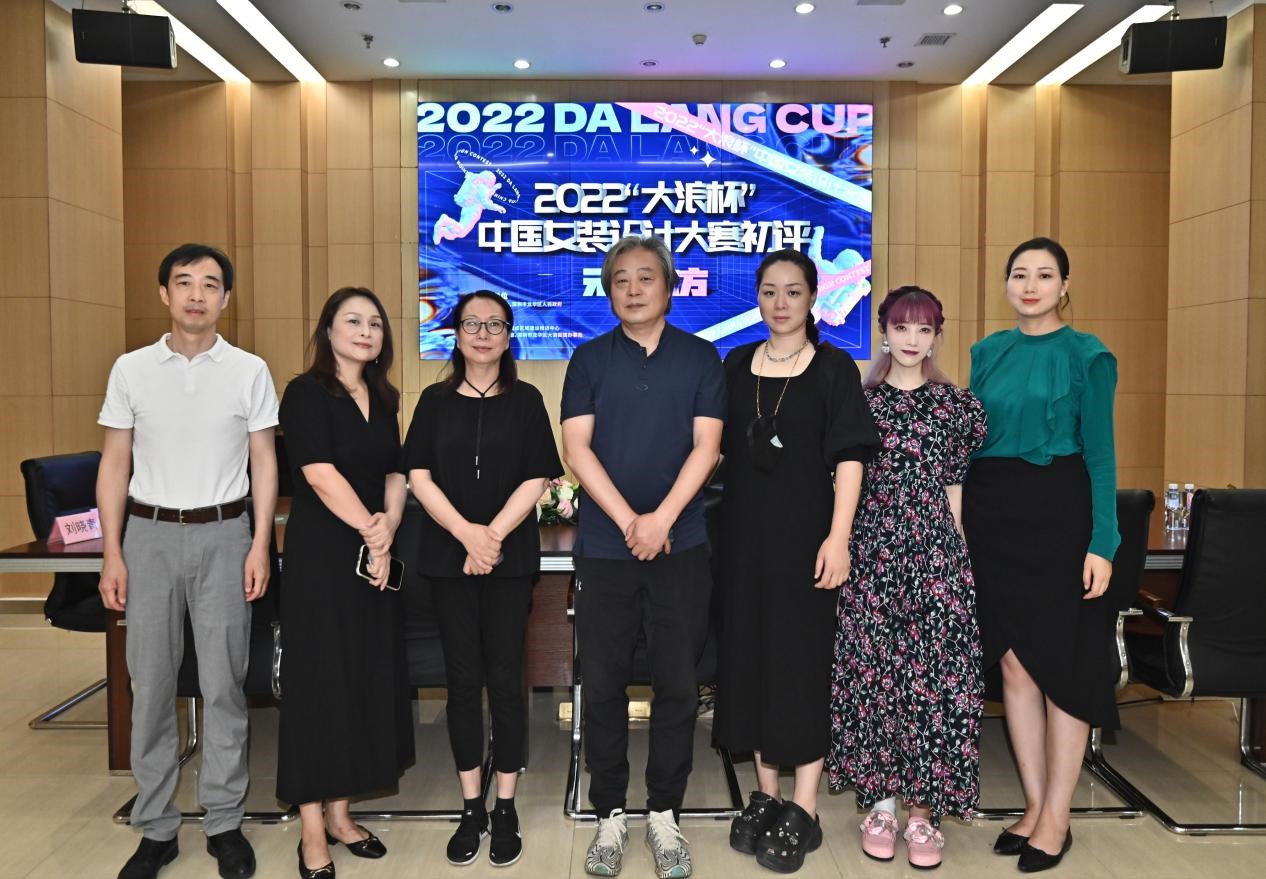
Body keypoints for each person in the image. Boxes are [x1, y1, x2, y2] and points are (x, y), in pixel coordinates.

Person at [97, 243, 278, 879]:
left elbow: (264, 463)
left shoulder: (249, 370)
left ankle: (224, 821)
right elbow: (114, 464)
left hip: (225, 534)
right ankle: (156, 826)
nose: (197, 294)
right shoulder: (132, 369)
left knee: (225, 684)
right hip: (147, 536)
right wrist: (112, 552)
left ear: (227, 298)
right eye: (184, 282)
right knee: (149, 686)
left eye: (210, 284)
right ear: (164, 294)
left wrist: (259, 543)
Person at [561, 235, 726, 879]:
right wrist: (632, 522)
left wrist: (661, 521)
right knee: (601, 684)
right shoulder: (588, 359)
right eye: (620, 280)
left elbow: (707, 447)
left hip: (681, 545)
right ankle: (609, 813)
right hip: (606, 548)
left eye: (646, 277)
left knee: (677, 685)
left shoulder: (701, 357)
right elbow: (577, 449)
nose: (632, 289)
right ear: (609, 291)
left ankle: (663, 812)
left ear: (669, 286)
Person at [715, 249, 879, 874]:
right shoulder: (736, 365)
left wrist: (839, 539)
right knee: (751, 659)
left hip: (809, 544)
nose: (780, 303)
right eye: (768, 291)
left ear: (813, 297)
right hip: (743, 544)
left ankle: (805, 806)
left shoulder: (834, 369)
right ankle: (766, 793)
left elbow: (851, 459)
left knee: (801, 666)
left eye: (793, 291)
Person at [964, 238, 1119, 874]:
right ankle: (1033, 806)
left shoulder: (1089, 355)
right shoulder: (986, 353)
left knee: (1062, 669)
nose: (1030, 286)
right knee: (1014, 665)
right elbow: (969, 444)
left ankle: (1058, 816)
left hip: (1060, 516)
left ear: (1064, 285)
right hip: (992, 517)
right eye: (1020, 274)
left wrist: (1103, 542)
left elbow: (1102, 455)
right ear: (1006, 284)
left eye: (1045, 275)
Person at [827, 286, 988, 870]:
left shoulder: (956, 406)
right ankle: (882, 806)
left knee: (936, 681)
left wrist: (957, 556)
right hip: (872, 553)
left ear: (937, 336)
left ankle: (924, 813)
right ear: (883, 332)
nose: (912, 340)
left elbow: (954, 485)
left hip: (935, 555)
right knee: (876, 675)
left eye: (924, 329)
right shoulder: (859, 402)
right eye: (901, 328)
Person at [402, 290, 563, 868]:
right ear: (456, 334)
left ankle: (506, 806)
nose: (483, 334)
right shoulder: (433, 400)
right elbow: (418, 475)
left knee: (506, 680)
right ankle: (472, 806)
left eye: (495, 324)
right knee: (463, 682)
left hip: (508, 558)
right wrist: (466, 536)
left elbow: (538, 476)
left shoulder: (526, 400)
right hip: (448, 558)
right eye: (472, 323)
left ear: (509, 335)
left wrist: (490, 536)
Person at [276, 287, 414, 879]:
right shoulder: (305, 392)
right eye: (352, 321)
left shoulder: (384, 396)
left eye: (375, 323)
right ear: (328, 330)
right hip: (323, 556)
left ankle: (340, 813)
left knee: (361, 678)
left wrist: (389, 527)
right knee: (319, 686)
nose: (365, 331)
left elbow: (396, 471)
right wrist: (371, 532)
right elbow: (318, 473)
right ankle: (311, 831)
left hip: (372, 554)